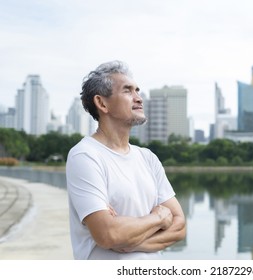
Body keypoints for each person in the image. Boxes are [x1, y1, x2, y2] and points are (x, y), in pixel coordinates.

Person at [66, 60, 186, 260]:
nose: (138, 98)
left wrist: (129, 242)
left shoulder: (147, 158)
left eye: (137, 90)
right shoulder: (86, 156)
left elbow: (179, 226)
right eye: (128, 91)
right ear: (102, 103)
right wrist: (158, 218)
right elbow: (108, 234)